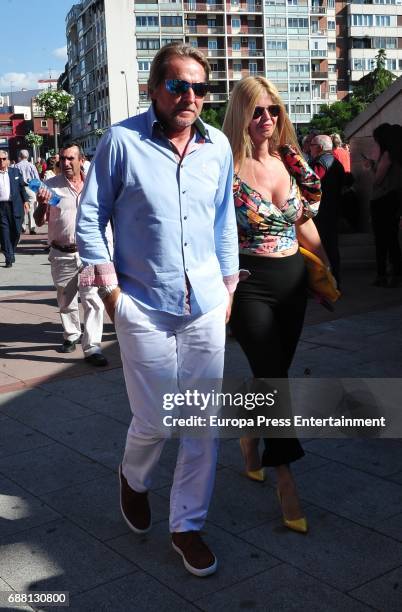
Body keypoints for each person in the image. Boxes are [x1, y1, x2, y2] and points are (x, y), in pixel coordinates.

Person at [76, 43, 238, 577]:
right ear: (154, 89)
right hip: (143, 303)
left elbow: (224, 223)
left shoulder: (217, 146)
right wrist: (111, 293)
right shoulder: (121, 141)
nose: (191, 96)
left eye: (200, 87)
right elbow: (91, 214)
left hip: (206, 305)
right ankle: (133, 477)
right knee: (154, 419)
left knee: (201, 423)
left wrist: (229, 287)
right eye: (178, 85)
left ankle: (187, 525)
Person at [223, 76, 326, 534]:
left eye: (274, 111)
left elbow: (302, 225)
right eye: (258, 111)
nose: (267, 119)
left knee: (272, 374)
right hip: (249, 285)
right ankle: (286, 477)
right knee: (274, 379)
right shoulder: (224, 166)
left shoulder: (291, 161)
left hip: (292, 282)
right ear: (241, 116)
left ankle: (249, 434)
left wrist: (324, 271)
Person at [34, 143, 108, 366]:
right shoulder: (51, 186)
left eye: (70, 159)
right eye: (62, 160)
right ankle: (71, 335)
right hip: (62, 253)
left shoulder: (94, 185)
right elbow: (39, 220)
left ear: (81, 159)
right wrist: (41, 204)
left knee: (93, 299)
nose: (65, 163)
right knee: (66, 299)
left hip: (89, 254)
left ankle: (93, 346)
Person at [366, 123, 402, 287]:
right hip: (393, 200)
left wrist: (371, 168)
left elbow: (378, 180)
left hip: (383, 200)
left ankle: (383, 274)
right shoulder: (397, 155)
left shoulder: (387, 155)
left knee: (382, 240)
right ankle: (395, 272)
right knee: (392, 239)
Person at [310, 134, 345, 286]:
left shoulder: (321, 162)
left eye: (311, 145)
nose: (309, 148)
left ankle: (326, 284)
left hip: (321, 212)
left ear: (319, 148)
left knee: (321, 248)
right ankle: (335, 281)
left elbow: (311, 183)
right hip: (333, 210)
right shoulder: (337, 163)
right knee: (331, 248)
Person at [0, 150, 29, 268]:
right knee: (4, 233)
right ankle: (9, 257)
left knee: (16, 231)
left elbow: (22, 188)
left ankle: (9, 250)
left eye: (3, 159)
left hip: (15, 206)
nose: (1, 161)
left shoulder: (15, 172)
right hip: (1, 208)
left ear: (7, 160)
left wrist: (26, 201)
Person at [16, 149, 39, 235]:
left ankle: (22, 227)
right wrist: (37, 190)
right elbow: (36, 178)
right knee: (32, 208)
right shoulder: (31, 166)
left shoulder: (16, 166)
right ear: (28, 156)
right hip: (30, 187)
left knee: (22, 207)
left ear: (20, 156)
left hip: (20, 188)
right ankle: (32, 227)